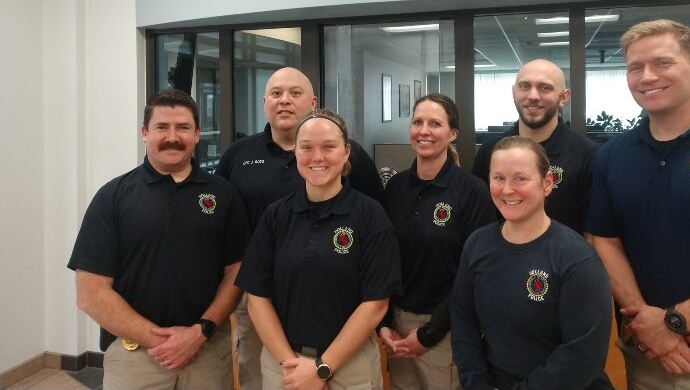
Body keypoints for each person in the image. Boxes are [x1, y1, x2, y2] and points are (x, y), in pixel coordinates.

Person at [587, 19, 690, 388]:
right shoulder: (612, 156)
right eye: (634, 67)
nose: (646, 76)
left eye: (662, 63)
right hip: (645, 358)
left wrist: (673, 322)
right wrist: (648, 323)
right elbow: (605, 242)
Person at [68, 89, 249, 389]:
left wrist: (198, 333)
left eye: (183, 127)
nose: (172, 137)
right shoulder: (113, 197)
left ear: (197, 134)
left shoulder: (223, 194)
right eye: (162, 127)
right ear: (144, 133)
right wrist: (162, 340)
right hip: (136, 357)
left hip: (207, 353)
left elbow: (237, 272)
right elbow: (90, 292)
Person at [216, 67, 384, 388]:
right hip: (258, 299)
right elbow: (222, 226)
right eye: (276, 93)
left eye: (295, 93)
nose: (284, 101)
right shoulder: (238, 156)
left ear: (313, 101)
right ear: (264, 101)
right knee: (259, 376)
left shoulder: (355, 158)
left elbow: (375, 221)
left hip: (337, 300)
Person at [452, 136, 613, 390]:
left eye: (520, 178)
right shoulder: (477, 245)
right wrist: (476, 384)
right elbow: (463, 320)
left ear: (547, 183)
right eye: (498, 178)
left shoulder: (576, 258)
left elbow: (583, 355)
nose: (507, 189)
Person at [379, 94, 495, 389]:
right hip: (397, 328)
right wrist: (383, 324)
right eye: (418, 122)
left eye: (435, 123)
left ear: (452, 133)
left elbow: (473, 274)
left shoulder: (472, 191)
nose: (424, 131)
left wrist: (429, 333)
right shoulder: (395, 187)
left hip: (446, 329)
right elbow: (384, 259)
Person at [472, 59, 597, 234]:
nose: (533, 96)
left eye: (545, 87)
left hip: (564, 259)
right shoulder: (490, 150)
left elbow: (592, 232)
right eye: (524, 86)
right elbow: (479, 219)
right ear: (514, 92)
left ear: (564, 97)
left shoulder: (587, 154)